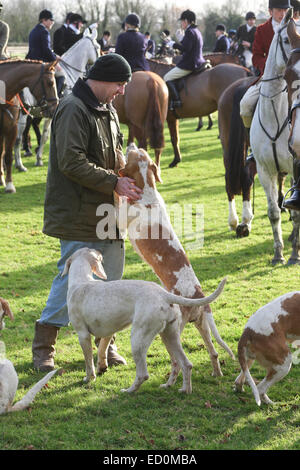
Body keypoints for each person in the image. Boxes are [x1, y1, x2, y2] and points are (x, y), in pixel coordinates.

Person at [31, 53, 143, 372]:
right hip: (78, 212)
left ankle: (106, 346)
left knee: (111, 281)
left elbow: (116, 151)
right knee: (72, 283)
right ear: (104, 79)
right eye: (119, 85)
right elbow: (71, 161)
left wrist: (131, 171)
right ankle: (44, 347)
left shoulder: (107, 109)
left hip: (108, 211)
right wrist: (114, 182)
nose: (121, 91)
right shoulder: (72, 108)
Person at [240, 1, 290, 161]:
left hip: (292, 79)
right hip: (269, 79)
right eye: (278, 10)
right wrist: (268, 70)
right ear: (270, 11)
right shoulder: (261, 30)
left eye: (284, 10)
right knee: (245, 105)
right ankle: (253, 146)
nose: (282, 14)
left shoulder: (294, 28)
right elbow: (256, 55)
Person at [163, 10, 205, 110]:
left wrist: (172, 44)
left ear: (186, 21)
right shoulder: (196, 31)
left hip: (190, 64)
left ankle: (176, 100)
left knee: (166, 77)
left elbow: (186, 49)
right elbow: (189, 45)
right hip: (198, 61)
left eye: (182, 21)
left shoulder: (190, 32)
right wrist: (181, 39)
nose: (181, 23)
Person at [26, 9, 65, 96]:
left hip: (31, 61)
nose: (52, 22)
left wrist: (55, 55)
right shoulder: (44, 32)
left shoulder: (33, 31)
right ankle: (55, 98)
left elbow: (40, 49)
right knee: (61, 74)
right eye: (51, 20)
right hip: (41, 63)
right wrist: (55, 61)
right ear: (43, 20)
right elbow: (46, 50)